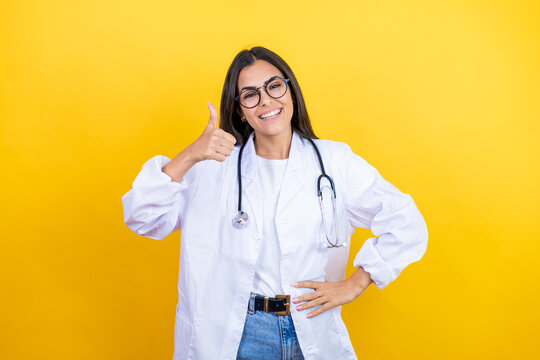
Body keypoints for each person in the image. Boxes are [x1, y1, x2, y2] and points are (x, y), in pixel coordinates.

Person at [121, 46, 428, 360]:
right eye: (250, 94)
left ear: (290, 90)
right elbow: (141, 217)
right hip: (238, 334)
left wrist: (356, 283)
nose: (266, 100)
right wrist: (189, 155)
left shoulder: (335, 161)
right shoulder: (212, 166)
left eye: (274, 86)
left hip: (310, 326)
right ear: (240, 109)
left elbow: (406, 223)